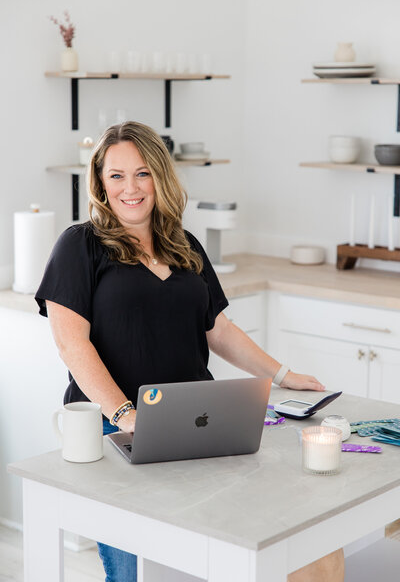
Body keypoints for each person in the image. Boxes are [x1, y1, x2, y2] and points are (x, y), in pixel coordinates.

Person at [35, 121, 343, 582]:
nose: (130, 188)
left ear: (161, 175)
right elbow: (70, 342)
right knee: (139, 571)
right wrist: (125, 414)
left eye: (142, 173)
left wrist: (284, 375)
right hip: (117, 430)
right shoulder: (80, 246)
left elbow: (218, 329)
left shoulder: (184, 245)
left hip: (200, 420)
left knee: (293, 547)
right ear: (99, 181)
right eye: (116, 175)